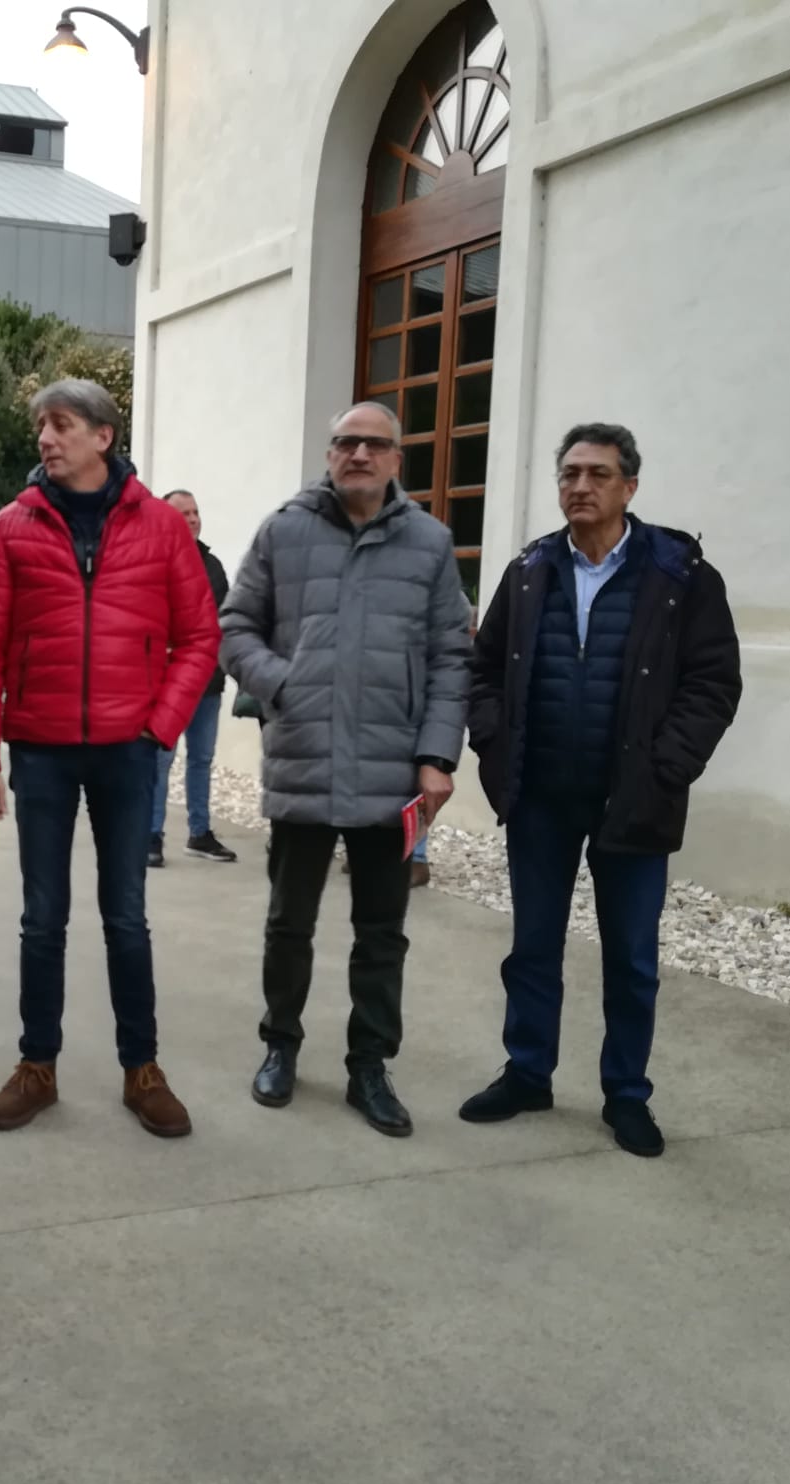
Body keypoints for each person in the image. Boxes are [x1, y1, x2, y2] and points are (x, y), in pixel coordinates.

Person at [458, 422, 741, 1157]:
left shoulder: (679, 575)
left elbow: (713, 682)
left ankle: (627, 1095)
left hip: (634, 799)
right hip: (542, 796)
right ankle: (527, 1073)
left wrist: (666, 765)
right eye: (570, 474)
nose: (580, 487)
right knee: (532, 947)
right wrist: (492, 742)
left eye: (598, 475)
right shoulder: (528, 572)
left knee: (632, 958)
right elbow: (482, 671)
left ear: (630, 487)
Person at [0, 378, 220, 1138]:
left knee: (127, 917)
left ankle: (142, 1068)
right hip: (39, 751)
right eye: (41, 425)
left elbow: (201, 638)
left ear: (103, 436)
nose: (46, 438)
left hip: (127, 755)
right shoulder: (11, 527)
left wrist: (159, 728)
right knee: (42, 919)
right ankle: (37, 1065)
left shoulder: (162, 529)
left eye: (62, 424)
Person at [220, 401, 471, 1137]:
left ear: (398, 459)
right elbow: (235, 625)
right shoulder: (283, 531)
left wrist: (435, 756)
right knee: (288, 924)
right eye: (344, 443)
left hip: (392, 776)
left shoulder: (429, 545)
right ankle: (280, 1046)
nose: (358, 453)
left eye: (374, 444)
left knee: (382, 932)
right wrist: (284, 682)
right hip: (303, 767)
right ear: (329, 455)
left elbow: (451, 656)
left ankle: (370, 1065)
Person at [148, 489, 237, 869]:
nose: (193, 519)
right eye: (183, 513)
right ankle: (151, 836)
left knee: (201, 760)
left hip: (208, 683)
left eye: (196, 511)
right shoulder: (151, 563)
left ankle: (200, 833)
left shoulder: (213, 566)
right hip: (168, 683)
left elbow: (222, 620)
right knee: (160, 761)